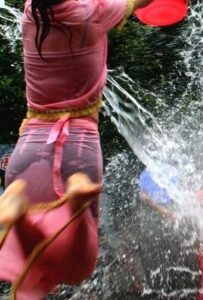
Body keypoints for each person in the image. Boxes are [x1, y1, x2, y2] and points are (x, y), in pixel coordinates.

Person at [0, 0, 155, 298]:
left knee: (36, 257)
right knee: (79, 269)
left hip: (29, 149)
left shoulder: (32, 11)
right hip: (78, 145)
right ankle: (72, 204)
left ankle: (19, 217)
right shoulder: (91, 12)